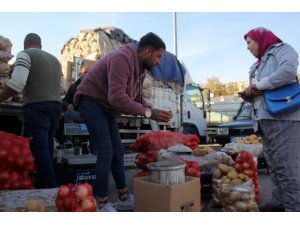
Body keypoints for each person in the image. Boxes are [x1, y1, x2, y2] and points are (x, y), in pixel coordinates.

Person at [74, 32, 172, 211]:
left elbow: (136, 97)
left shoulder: (141, 67)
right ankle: (101, 203)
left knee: (117, 151)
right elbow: (117, 98)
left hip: (104, 105)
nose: (159, 61)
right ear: (148, 52)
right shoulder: (122, 58)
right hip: (90, 101)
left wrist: (153, 110)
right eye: (158, 56)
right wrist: (149, 113)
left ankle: (124, 196)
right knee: (106, 151)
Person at [238, 27, 300, 212]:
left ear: (260, 38)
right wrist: (249, 94)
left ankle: (294, 208)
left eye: (249, 42)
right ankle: (278, 201)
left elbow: (288, 71)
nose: (247, 48)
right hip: (264, 119)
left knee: (287, 166)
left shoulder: (282, 50)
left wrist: (258, 85)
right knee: (274, 166)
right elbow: (260, 92)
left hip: (284, 117)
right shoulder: (256, 65)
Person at [0, 33, 62, 189]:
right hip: (55, 108)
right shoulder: (55, 60)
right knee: (47, 149)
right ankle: (43, 186)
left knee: (40, 151)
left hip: (37, 108)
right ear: (40, 45)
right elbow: (62, 87)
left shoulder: (25, 54)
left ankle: (50, 191)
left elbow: (18, 83)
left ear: (25, 44)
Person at [61, 66, 88, 145]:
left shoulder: (92, 85)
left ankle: (79, 140)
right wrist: (68, 105)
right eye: (84, 72)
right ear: (80, 74)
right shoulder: (73, 86)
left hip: (90, 113)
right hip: (78, 114)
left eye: (88, 73)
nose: (86, 74)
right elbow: (64, 101)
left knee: (69, 116)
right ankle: (69, 141)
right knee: (68, 115)